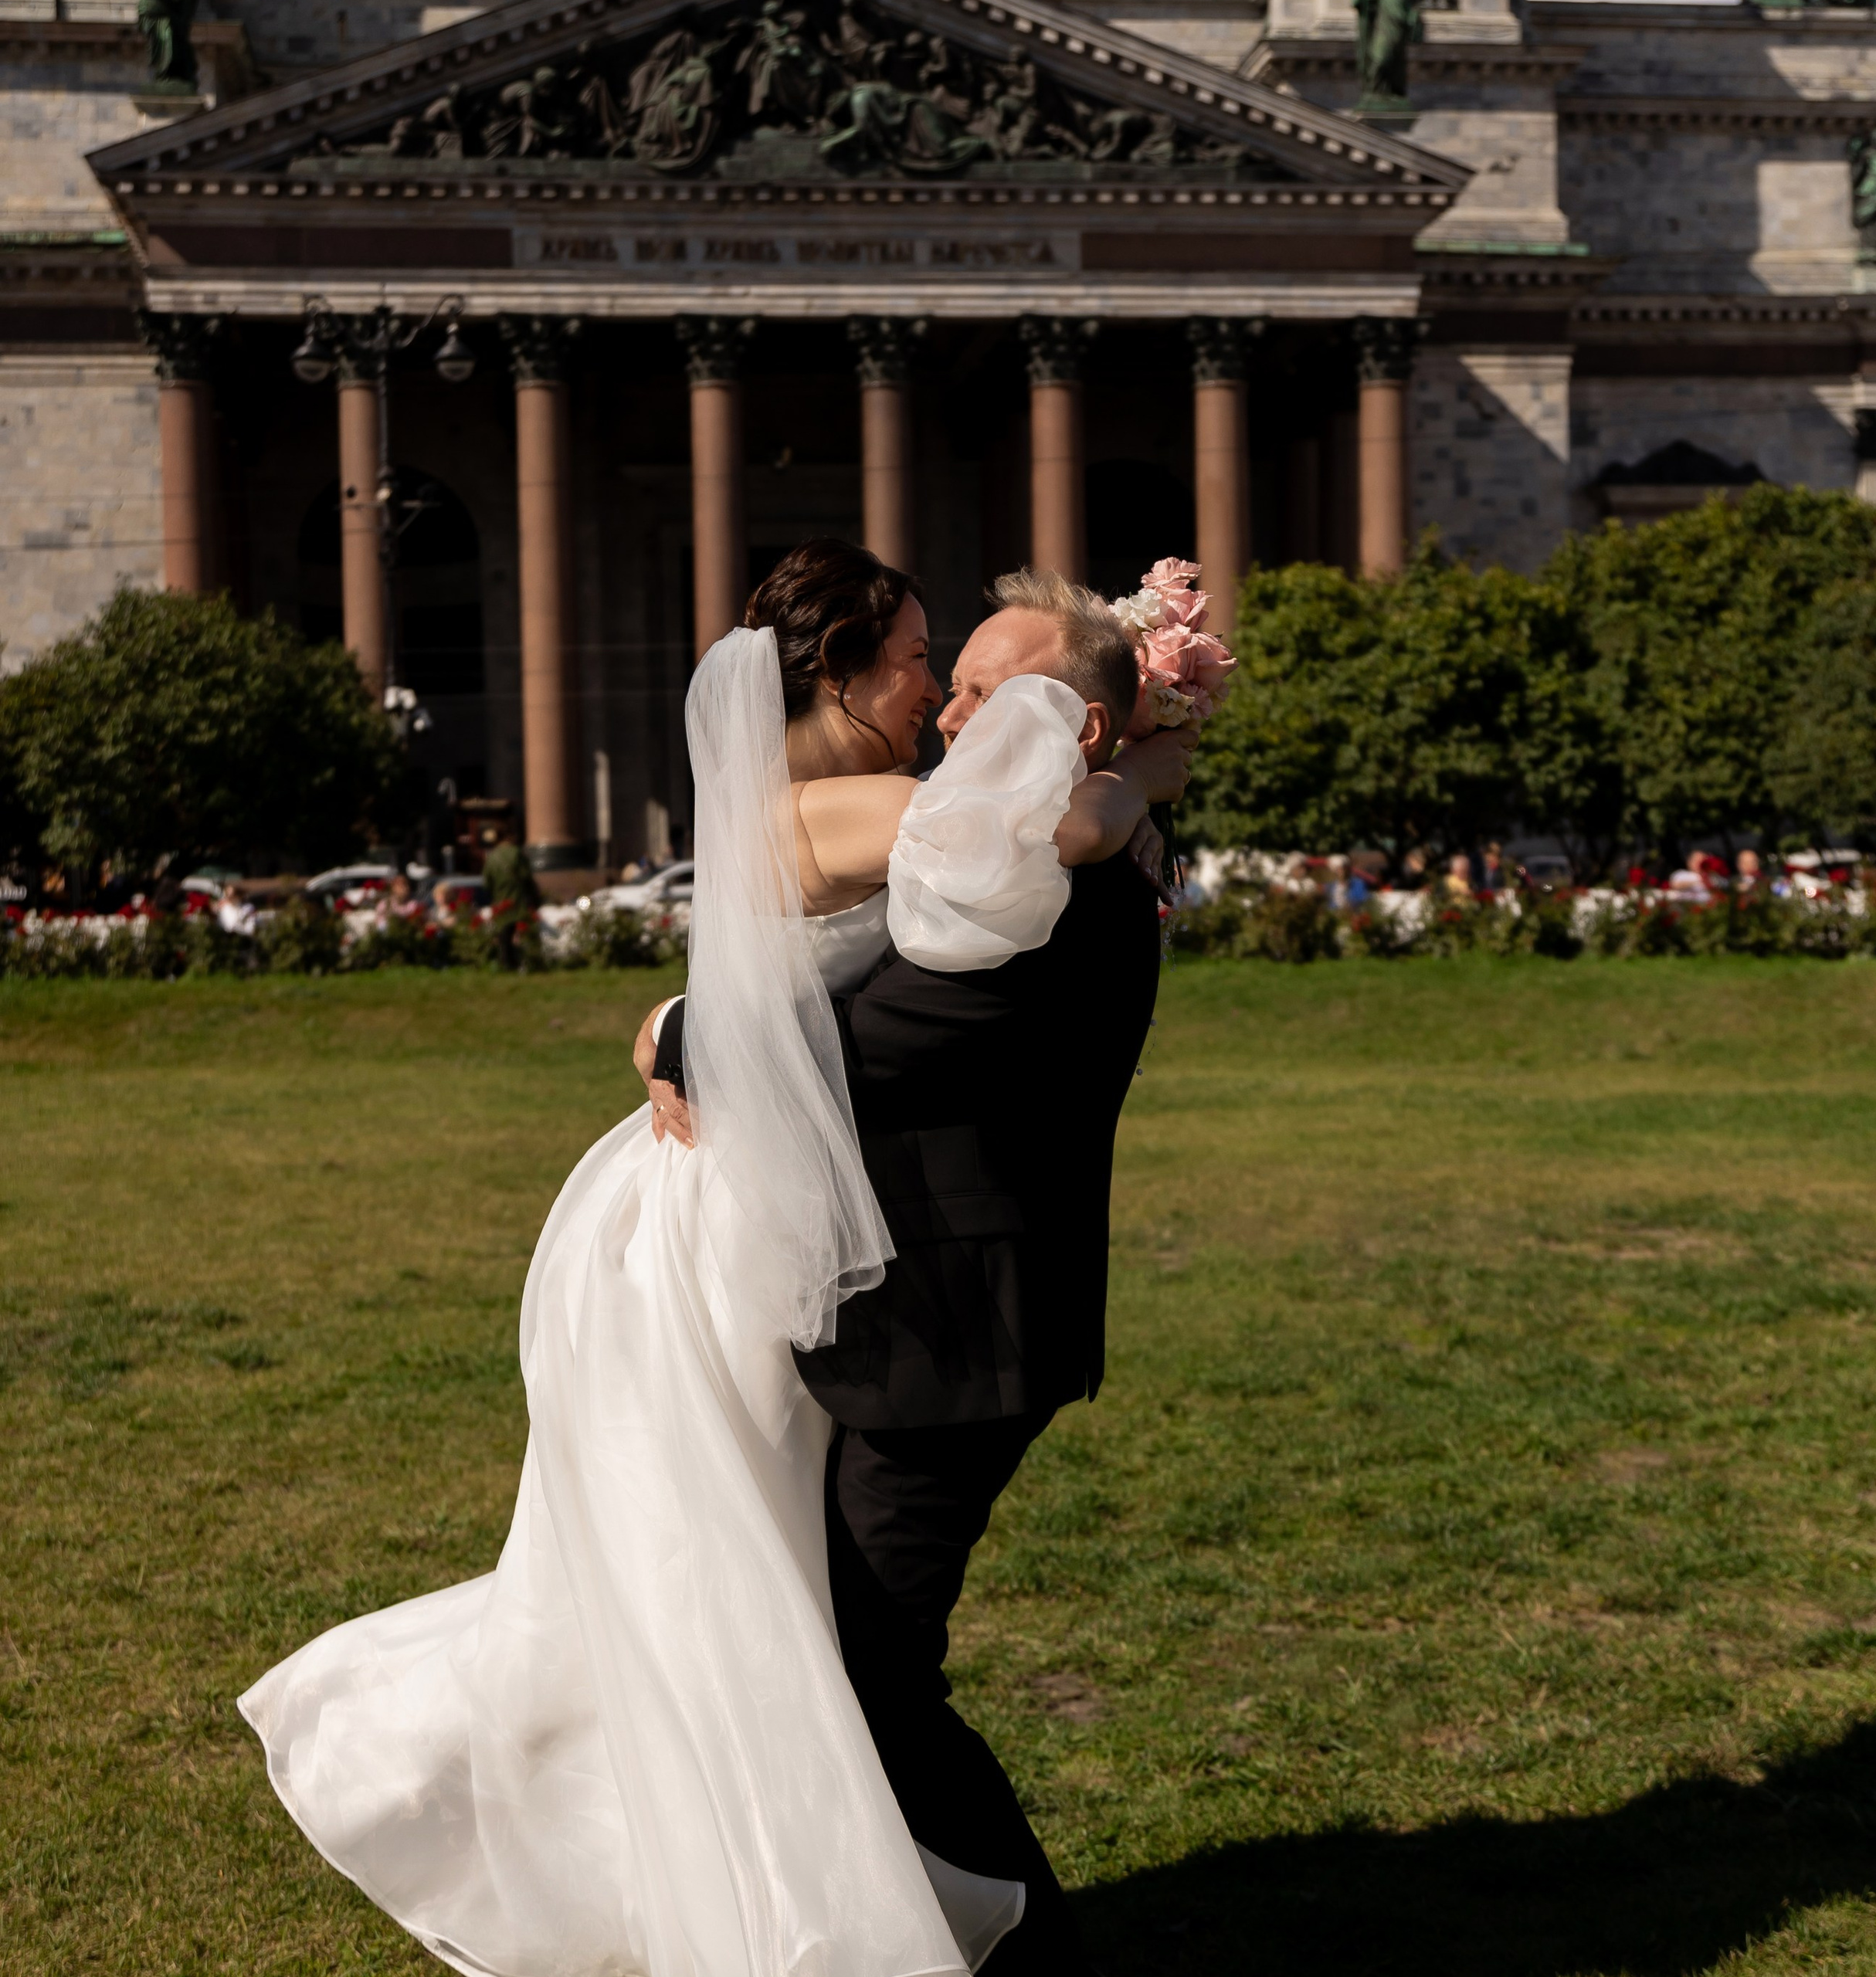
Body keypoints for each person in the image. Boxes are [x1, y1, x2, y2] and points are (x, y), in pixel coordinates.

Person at [238, 539, 1190, 1977]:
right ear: (850, 677)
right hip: (758, 1234)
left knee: (763, 1604)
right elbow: (1048, 840)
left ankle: (842, 1901)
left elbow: (968, 924)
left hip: (822, 1243)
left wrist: (1137, 761)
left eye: (962, 672)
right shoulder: (893, 810)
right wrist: (1140, 773)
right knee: (758, 1605)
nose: (939, 696)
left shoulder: (888, 811)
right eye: (927, 661)